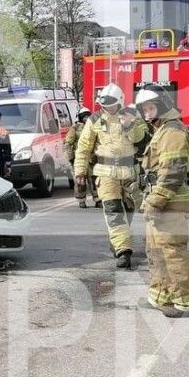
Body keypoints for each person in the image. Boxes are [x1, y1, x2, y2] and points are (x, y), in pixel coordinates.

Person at [135, 85, 189, 318]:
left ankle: (186, 302)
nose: (147, 113)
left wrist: (156, 201)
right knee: (157, 251)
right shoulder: (162, 130)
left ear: (162, 106)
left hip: (169, 203)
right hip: (162, 201)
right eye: (144, 108)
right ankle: (162, 297)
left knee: (173, 253)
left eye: (151, 107)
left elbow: (172, 172)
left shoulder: (172, 131)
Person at [74, 84, 150, 269]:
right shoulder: (94, 120)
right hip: (105, 172)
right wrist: (80, 170)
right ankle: (124, 250)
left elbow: (142, 140)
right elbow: (84, 147)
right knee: (113, 211)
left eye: (111, 104)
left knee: (128, 212)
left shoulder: (133, 115)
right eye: (104, 104)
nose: (107, 108)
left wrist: (129, 125)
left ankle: (118, 240)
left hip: (129, 173)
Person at [64, 107, 97, 208]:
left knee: (94, 180)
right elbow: (68, 144)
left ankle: (97, 199)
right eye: (84, 116)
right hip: (78, 159)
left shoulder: (93, 127)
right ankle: (81, 200)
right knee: (80, 181)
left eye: (88, 116)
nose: (86, 118)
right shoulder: (74, 129)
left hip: (91, 158)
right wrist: (71, 158)